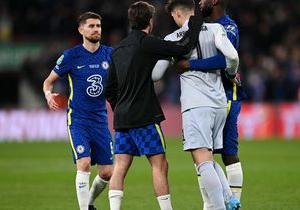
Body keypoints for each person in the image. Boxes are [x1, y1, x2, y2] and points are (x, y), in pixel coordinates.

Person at [104, 1, 203, 210]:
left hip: (122, 118)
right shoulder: (148, 43)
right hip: (144, 117)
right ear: (150, 21)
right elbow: (184, 47)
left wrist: (120, 107)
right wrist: (196, 20)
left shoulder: (117, 50)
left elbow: (109, 88)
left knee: (120, 166)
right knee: (159, 165)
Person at [152, 0, 240, 209]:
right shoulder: (216, 28)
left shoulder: (173, 38)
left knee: (202, 160)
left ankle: (219, 207)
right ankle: (230, 199)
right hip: (219, 103)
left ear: (176, 14)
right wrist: (230, 72)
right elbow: (232, 56)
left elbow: (155, 75)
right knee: (208, 156)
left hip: (196, 105)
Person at [175, 0, 247, 208]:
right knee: (202, 155)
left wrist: (189, 64)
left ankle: (233, 204)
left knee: (228, 154)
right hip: (204, 97)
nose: (199, 2)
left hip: (226, 95)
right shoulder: (200, 26)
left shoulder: (228, 27)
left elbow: (225, 59)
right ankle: (210, 205)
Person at [42, 12, 113, 210]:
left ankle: (89, 203)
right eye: (91, 26)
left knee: (107, 172)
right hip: (78, 119)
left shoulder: (110, 54)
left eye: (98, 26)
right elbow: (48, 82)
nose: (96, 29)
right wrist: (49, 94)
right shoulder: (70, 56)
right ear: (81, 30)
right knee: (83, 163)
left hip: (100, 120)